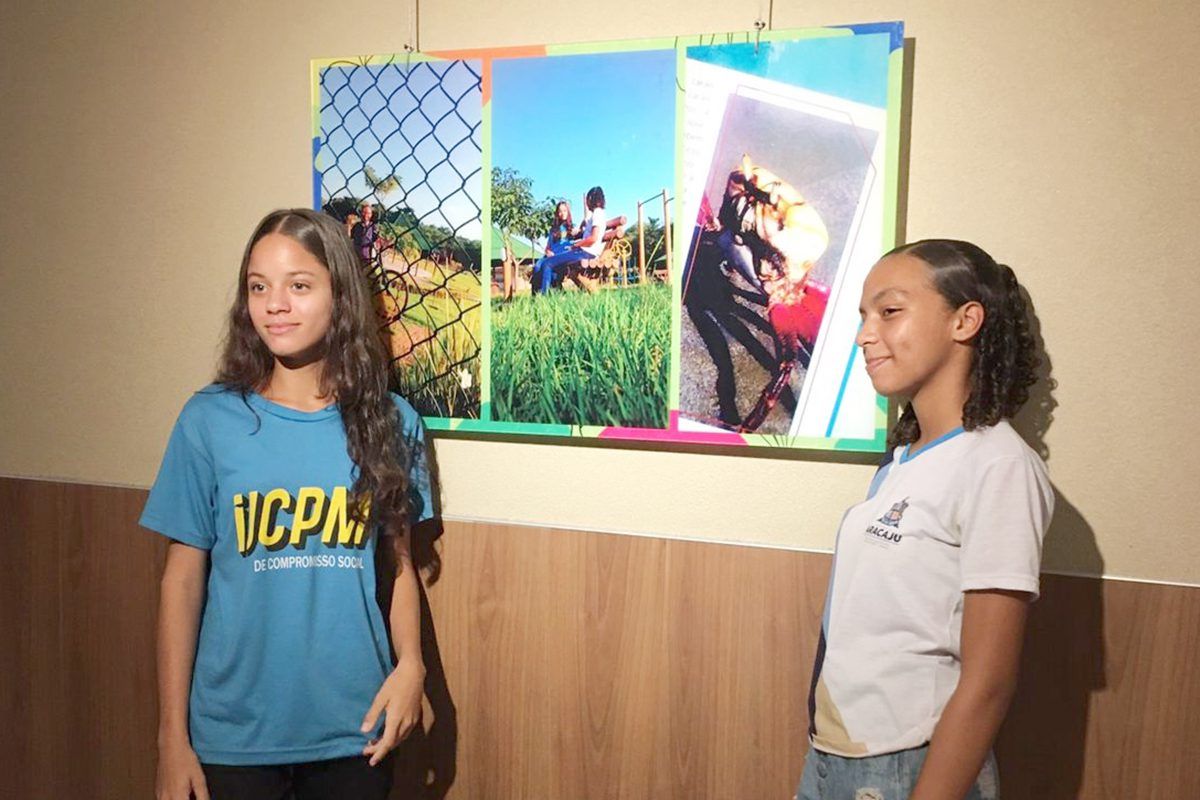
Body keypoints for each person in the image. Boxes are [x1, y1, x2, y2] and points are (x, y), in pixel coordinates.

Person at [144, 208, 433, 800]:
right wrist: (171, 737)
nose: (274, 304)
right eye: (259, 287)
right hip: (234, 738)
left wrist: (412, 665)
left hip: (357, 728)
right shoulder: (209, 420)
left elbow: (399, 565)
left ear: (339, 295)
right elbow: (182, 580)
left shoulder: (391, 421)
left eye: (299, 286)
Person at [798, 239, 1054, 800]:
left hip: (907, 766)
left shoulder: (999, 465)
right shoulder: (902, 462)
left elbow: (989, 682)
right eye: (863, 316)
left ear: (965, 321)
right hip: (836, 757)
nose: (865, 335)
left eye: (889, 311)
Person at [531, 186, 607, 295]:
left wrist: (576, 245)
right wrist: (582, 227)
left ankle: (544, 297)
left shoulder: (597, 214)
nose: (586, 203)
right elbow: (587, 227)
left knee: (547, 264)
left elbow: (593, 238)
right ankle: (546, 295)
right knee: (542, 265)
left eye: (587, 200)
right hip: (583, 251)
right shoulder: (597, 214)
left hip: (586, 252)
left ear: (591, 199)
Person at [530, 200, 575, 295]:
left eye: (565, 210)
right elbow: (548, 246)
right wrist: (547, 251)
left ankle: (545, 295)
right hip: (550, 254)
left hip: (561, 256)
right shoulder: (554, 229)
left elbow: (571, 245)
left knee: (549, 270)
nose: (562, 213)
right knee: (537, 267)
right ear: (557, 213)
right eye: (560, 211)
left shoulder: (571, 228)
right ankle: (534, 296)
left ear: (568, 212)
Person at [350, 202, 379, 268]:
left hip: (367, 258)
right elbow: (351, 238)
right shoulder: (356, 226)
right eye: (364, 212)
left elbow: (375, 241)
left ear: (371, 215)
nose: (366, 215)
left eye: (368, 213)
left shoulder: (373, 227)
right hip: (355, 255)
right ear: (361, 213)